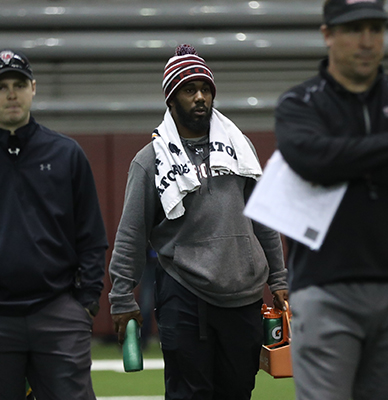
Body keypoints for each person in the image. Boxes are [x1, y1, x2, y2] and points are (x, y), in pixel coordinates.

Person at [273, 0, 388, 399]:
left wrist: (346, 158)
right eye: (355, 29)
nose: (367, 41)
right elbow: (310, 158)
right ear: (328, 35)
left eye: (376, 29)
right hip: (324, 285)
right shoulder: (299, 104)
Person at [108, 44, 288, 400]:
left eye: (206, 89)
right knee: (189, 395)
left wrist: (279, 278)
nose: (201, 97)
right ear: (171, 99)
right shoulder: (150, 161)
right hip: (185, 293)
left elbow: (264, 218)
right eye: (190, 90)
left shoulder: (240, 147)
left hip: (244, 295)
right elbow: (131, 234)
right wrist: (120, 297)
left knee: (238, 391)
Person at [0, 49, 108, 400]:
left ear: (33, 89)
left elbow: (91, 236)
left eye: (19, 84)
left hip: (57, 314)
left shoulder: (66, 154)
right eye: (0, 86)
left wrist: (85, 303)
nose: (11, 93)